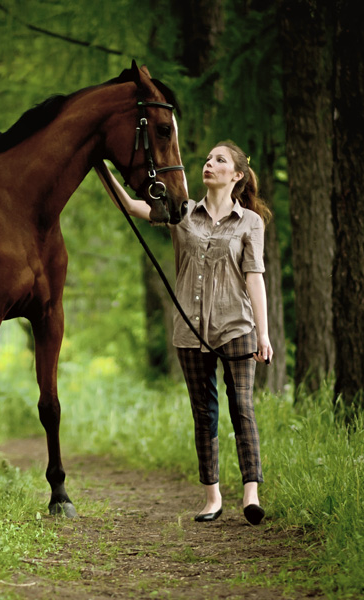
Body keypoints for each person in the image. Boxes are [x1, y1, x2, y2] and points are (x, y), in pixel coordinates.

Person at [97, 141, 273, 525]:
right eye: (208, 159)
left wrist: (263, 333)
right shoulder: (182, 213)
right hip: (190, 329)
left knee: (242, 407)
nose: (209, 164)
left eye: (219, 160)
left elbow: (254, 278)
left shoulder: (250, 223)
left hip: (236, 327)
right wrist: (100, 165)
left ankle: (250, 494)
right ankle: (212, 497)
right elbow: (130, 206)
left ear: (237, 175)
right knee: (204, 412)